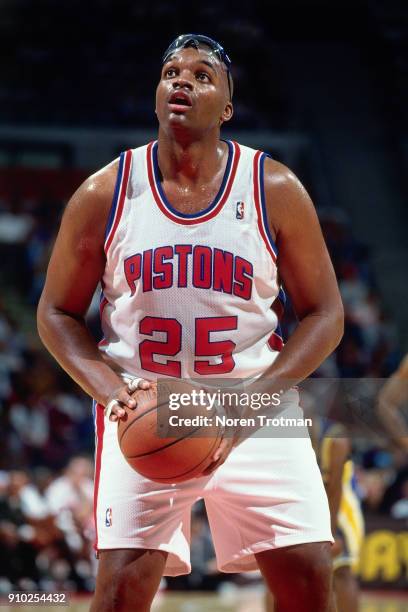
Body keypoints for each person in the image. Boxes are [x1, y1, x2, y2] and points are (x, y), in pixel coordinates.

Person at [37, 34, 344, 612]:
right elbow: (55, 313)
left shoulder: (273, 188)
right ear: (156, 96)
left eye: (203, 75)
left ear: (227, 107)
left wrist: (249, 405)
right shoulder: (105, 192)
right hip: (148, 411)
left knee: (308, 581)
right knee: (120, 593)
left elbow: (326, 315)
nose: (183, 81)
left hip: (254, 405)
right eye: (171, 72)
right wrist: (114, 396)